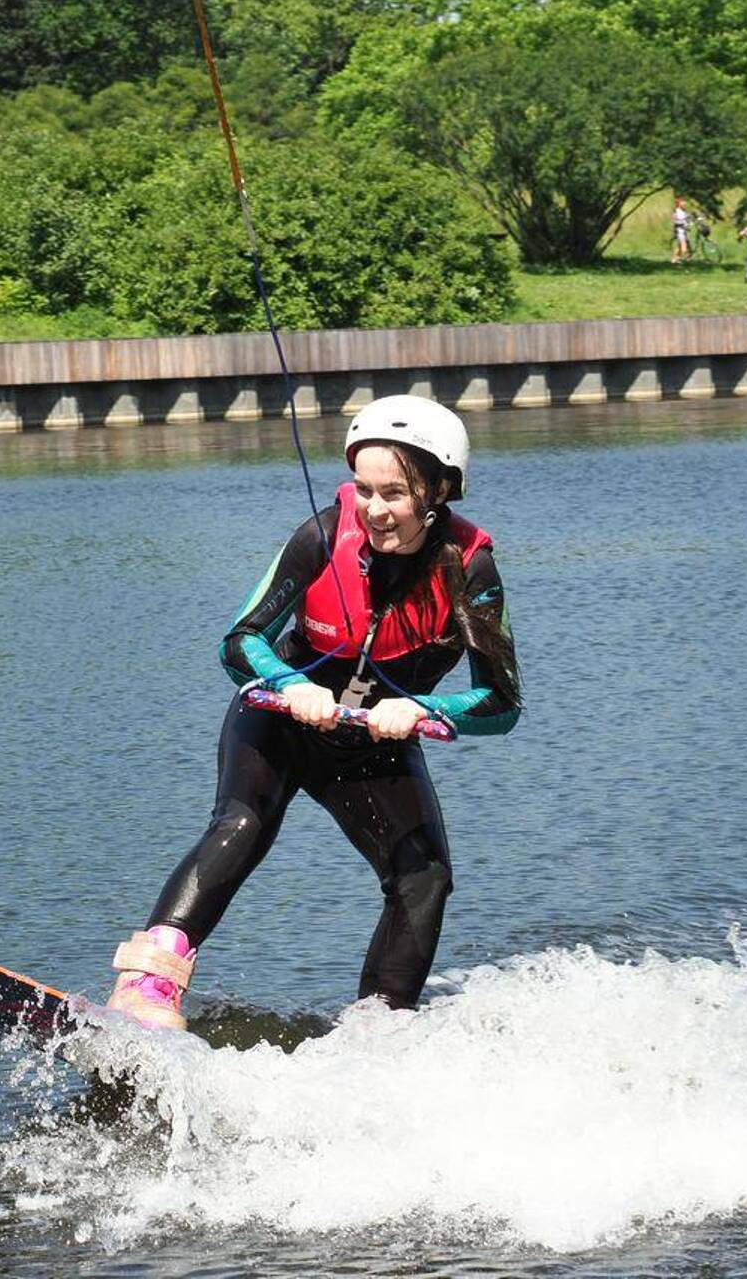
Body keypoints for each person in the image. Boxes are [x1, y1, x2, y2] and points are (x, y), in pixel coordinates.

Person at [106, 396, 523, 1030]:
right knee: (241, 826)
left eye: (396, 493)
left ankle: (379, 1030)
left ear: (440, 490)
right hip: (279, 723)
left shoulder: (472, 570)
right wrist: (287, 681)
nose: (376, 510)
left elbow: (501, 703)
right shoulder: (322, 535)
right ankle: (146, 989)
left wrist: (423, 709)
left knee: (424, 877)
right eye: (364, 489)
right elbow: (238, 642)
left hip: (372, 746)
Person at [671, 195, 691, 264]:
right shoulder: (676, 212)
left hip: (684, 231)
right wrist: (683, 224)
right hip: (680, 232)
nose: (685, 204)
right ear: (679, 204)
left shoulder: (684, 211)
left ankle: (675, 260)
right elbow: (675, 221)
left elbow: (688, 218)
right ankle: (680, 259)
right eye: (683, 203)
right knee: (684, 248)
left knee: (680, 247)